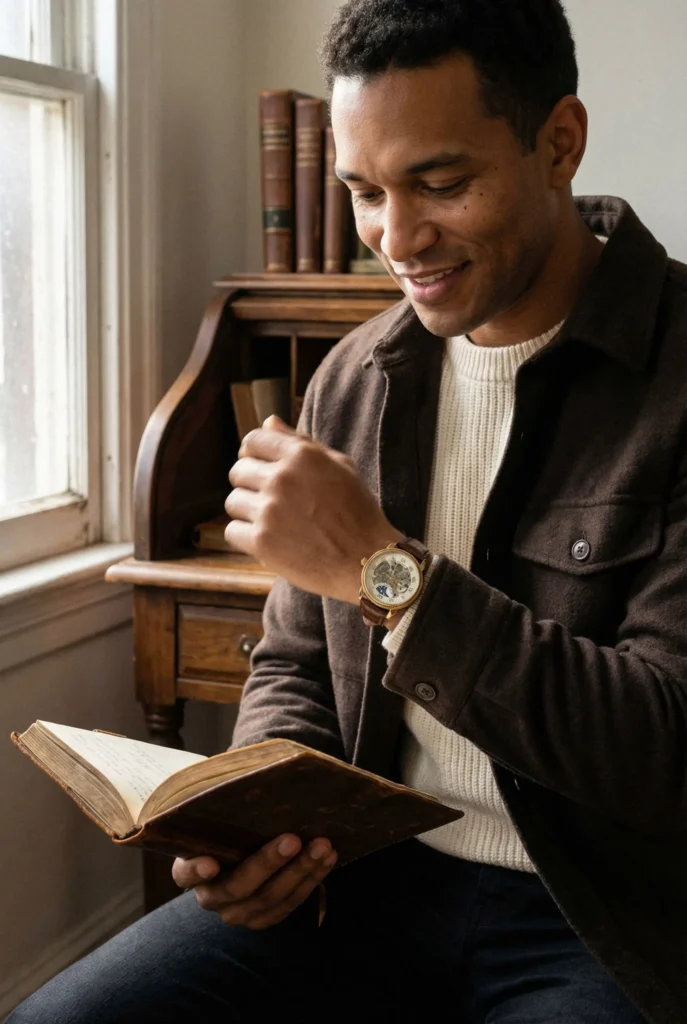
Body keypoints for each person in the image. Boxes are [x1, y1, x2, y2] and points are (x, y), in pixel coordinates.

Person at [8, 0, 687, 1021]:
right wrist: (259, 826)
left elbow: (663, 749)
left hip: (603, 913)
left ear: (560, 141)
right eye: (364, 192)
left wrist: (387, 571)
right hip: (363, 880)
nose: (395, 239)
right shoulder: (356, 376)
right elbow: (294, 659)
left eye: (440, 183)